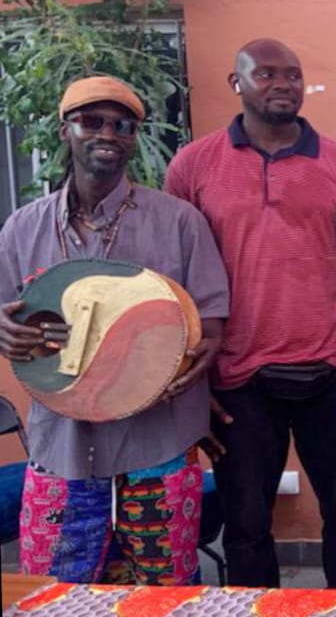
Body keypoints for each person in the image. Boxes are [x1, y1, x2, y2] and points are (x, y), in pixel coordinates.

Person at [164, 39, 336, 588]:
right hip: (237, 379)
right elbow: (173, 283)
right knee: (246, 527)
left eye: (293, 74)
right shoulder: (193, 165)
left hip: (333, 369)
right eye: (265, 74)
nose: (283, 84)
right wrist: (192, 382)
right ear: (236, 83)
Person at [0, 76, 229, 585]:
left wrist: (193, 361)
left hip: (157, 440)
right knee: (56, 595)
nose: (107, 133)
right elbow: (5, 314)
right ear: (65, 130)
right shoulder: (22, 228)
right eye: (91, 121)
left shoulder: (180, 222)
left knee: (164, 596)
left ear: (133, 137)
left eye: (122, 125)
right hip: (61, 442)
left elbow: (211, 326)